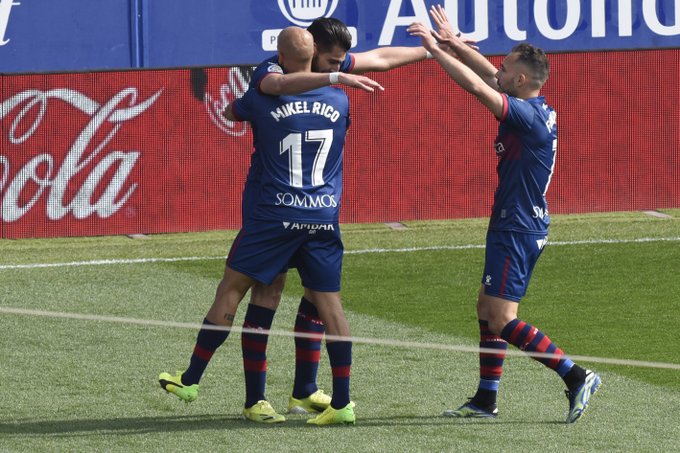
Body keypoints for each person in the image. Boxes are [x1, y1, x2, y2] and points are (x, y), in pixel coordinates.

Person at [160, 26, 370, 426]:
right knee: (330, 308)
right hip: (323, 216)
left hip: (273, 217)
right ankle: (341, 403)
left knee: (238, 293)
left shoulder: (261, 96)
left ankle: (195, 380)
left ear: (279, 56)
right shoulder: (340, 99)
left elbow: (231, 111)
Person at [407, 5, 601, 424]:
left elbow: (480, 88)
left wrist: (435, 51)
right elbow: (491, 77)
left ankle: (575, 374)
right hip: (515, 223)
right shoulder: (535, 102)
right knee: (485, 308)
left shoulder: (527, 116)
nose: (498, 68)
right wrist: (454, 42)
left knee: (501, 317)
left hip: (517, 227)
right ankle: (485, 400)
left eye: (506, 66)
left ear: (521, 79)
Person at [240, 16, 433, 416]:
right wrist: (334, 81)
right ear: (310, 51)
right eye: (330, 62)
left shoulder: (328, 67)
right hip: (271, 208)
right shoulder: (274, 70)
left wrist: (435, 49)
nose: (338, 67)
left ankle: (304, 391)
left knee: (317, 293)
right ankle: (256, 398)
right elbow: (271, 88)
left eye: (339, 64)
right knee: (269, 292)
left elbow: (380, 59)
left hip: (313, 209)